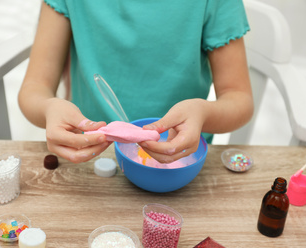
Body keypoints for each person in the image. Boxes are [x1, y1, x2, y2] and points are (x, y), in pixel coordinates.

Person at [18, 0, 254, 164]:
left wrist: (203, 113)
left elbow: (239, 99)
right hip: (88, 159)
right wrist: (49, 108)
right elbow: (34, 90)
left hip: (180, 159)